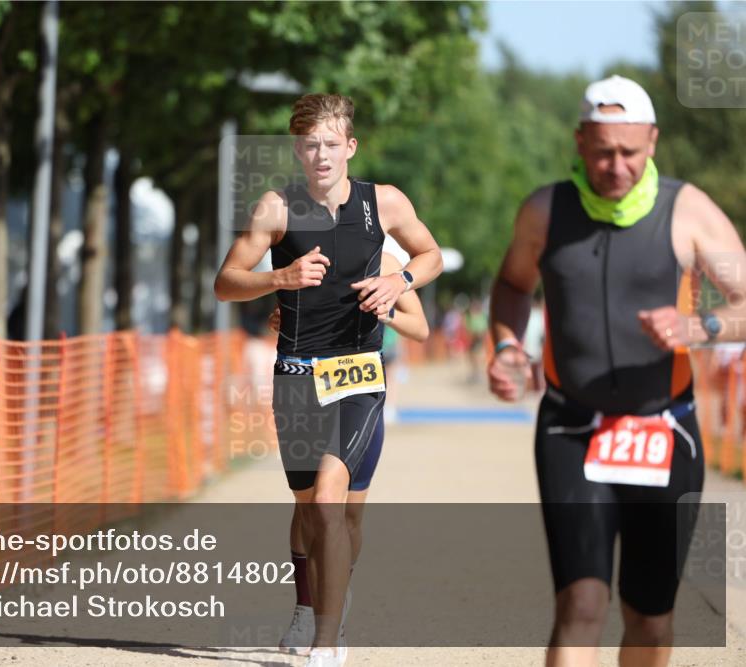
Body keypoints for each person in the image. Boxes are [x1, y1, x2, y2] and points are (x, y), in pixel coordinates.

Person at [488, 75, 746, 667]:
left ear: (653, 141)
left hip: (664, 431)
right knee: (580, 604)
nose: (616, 165)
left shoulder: (690, 211)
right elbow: (510, 285)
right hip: (571, 430)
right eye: (602, 150)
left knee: (650, 615)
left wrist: (698, 328)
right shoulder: (545, 210)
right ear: (579, 142)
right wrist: (505, 347)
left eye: (629, 151)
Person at [214, 93, 442, 666]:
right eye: (310, 144)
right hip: (296, 374)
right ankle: (307, 604)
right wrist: (280, 279)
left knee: (335, 504)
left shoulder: (383, 202)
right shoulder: (276, 208)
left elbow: (431, 254)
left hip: (358, 373)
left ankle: (327, 639)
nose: (321, 154)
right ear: (298, 148)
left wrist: (401, 282)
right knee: (308, 506)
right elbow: (225, 282)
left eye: (331, 144)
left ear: (350, 147)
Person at [268, 250, 430, 658]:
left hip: (358, 388)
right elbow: (288, 310)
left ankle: (334, 606)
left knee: (348, 512)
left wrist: (385, 311)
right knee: (309, 508)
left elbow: (421, 328)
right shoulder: (311, 256)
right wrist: (280, 317)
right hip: (305, 387)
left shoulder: (386, 261)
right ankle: (308, 609)